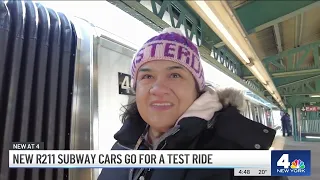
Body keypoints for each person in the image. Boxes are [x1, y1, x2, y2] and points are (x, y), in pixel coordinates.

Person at [98, 28, 287, 180]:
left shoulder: (243, 155)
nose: (157, 88)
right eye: (147, 76)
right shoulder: (123, 146)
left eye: (175, 75)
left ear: (198, 89)